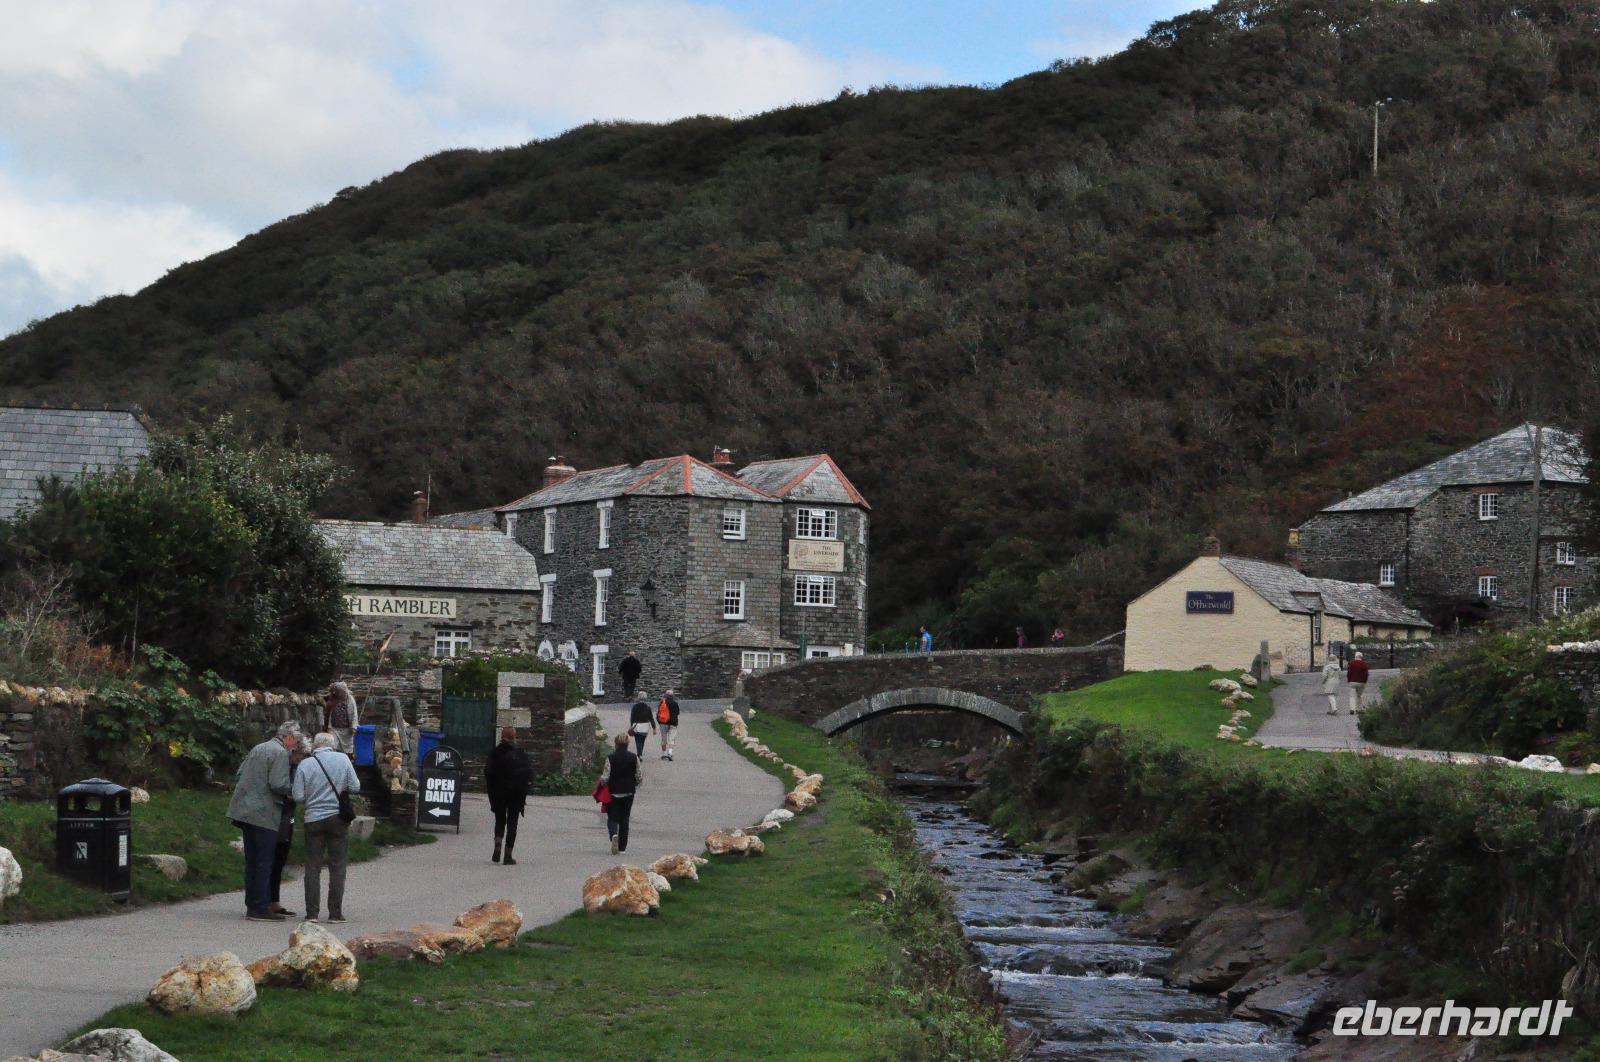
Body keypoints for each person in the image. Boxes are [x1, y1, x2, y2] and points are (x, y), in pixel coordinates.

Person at [227, 721, 301, 921]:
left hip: (244, 810)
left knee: (252, 861)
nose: (295, 745)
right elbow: (278, 783)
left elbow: (241, 772)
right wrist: (294, 791)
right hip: (264, 812)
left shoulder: (259, 747)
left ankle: (252, 904)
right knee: (264, 860)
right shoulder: (280, 753)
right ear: (289, 738)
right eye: (296, 740)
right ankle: (260, 906)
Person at [293, 731, 361, 924]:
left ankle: (312, 913)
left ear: (315, 745)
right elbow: (355, 786)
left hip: (313, 818)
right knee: (337, 866)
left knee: (313, 867)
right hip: (338, 818)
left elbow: (298, 796)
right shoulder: (343, 759)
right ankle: (335, 913)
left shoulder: (305, 764)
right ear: (333, 745)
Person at [267, 740, 311, 917]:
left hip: (288, 815)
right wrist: (293, 792)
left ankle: (274, 900)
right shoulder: (283, 764)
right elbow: (279, 786)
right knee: (274, 856)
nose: (301, 759)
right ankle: (267, 900)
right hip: (278, 813)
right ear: (293, 752)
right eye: (300, 755)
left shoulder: (295, 767)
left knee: (281, 857)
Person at [484, 726, 533, 865]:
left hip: (498, 793)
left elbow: (488, 772)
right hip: (516, 794)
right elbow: (528, 773)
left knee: (499, 820)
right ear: (514, 737)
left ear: (502, 736)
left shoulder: (495, 752)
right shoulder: (520, 753)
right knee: (512, 822)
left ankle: (497, 846)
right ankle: (508, 855)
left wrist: (492, 788)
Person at [599, 733, 641, 855]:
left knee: (612, 817)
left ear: (616, 744)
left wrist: (603, 784)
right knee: (625, 818)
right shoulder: (634, 758)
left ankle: (613, 835)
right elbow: (639, 775)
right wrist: (635, 785)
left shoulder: (610, 758)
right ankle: (622, 847)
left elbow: (605, 778)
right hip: (629, 792)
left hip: (614, 792)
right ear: (627, 744)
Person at [322, 682, 357, 755]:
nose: (340, 693)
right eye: (339, 691)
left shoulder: (350, 699)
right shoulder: (332, 698)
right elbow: (327, 711)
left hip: (346, 729)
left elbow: (354, 714)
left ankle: (347, 759)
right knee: (333, 745)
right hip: (334, 728)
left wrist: (353, 726)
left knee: (347, 749)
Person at [628, 691, 657, 756]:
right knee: (642, 741)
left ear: (638, 697)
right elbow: (651, 718)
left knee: (638, 741)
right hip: (645, 726)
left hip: (636, 725)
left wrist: (631, 726)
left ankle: (639, 754)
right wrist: (654, 728)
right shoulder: (648, 707)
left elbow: (632, 717)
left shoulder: (635, 707)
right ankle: (640, 754)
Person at [657, 689, 681, 761]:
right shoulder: (675, 703)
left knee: (664, 738)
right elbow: (678, 713)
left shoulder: (662, 702)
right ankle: (670, 753)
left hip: (663, 723)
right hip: (673, 723)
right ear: (672, 696)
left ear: (666, 695)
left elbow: (658, 712)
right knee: (672, 739)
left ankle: (664, 754)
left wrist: (659, 721)